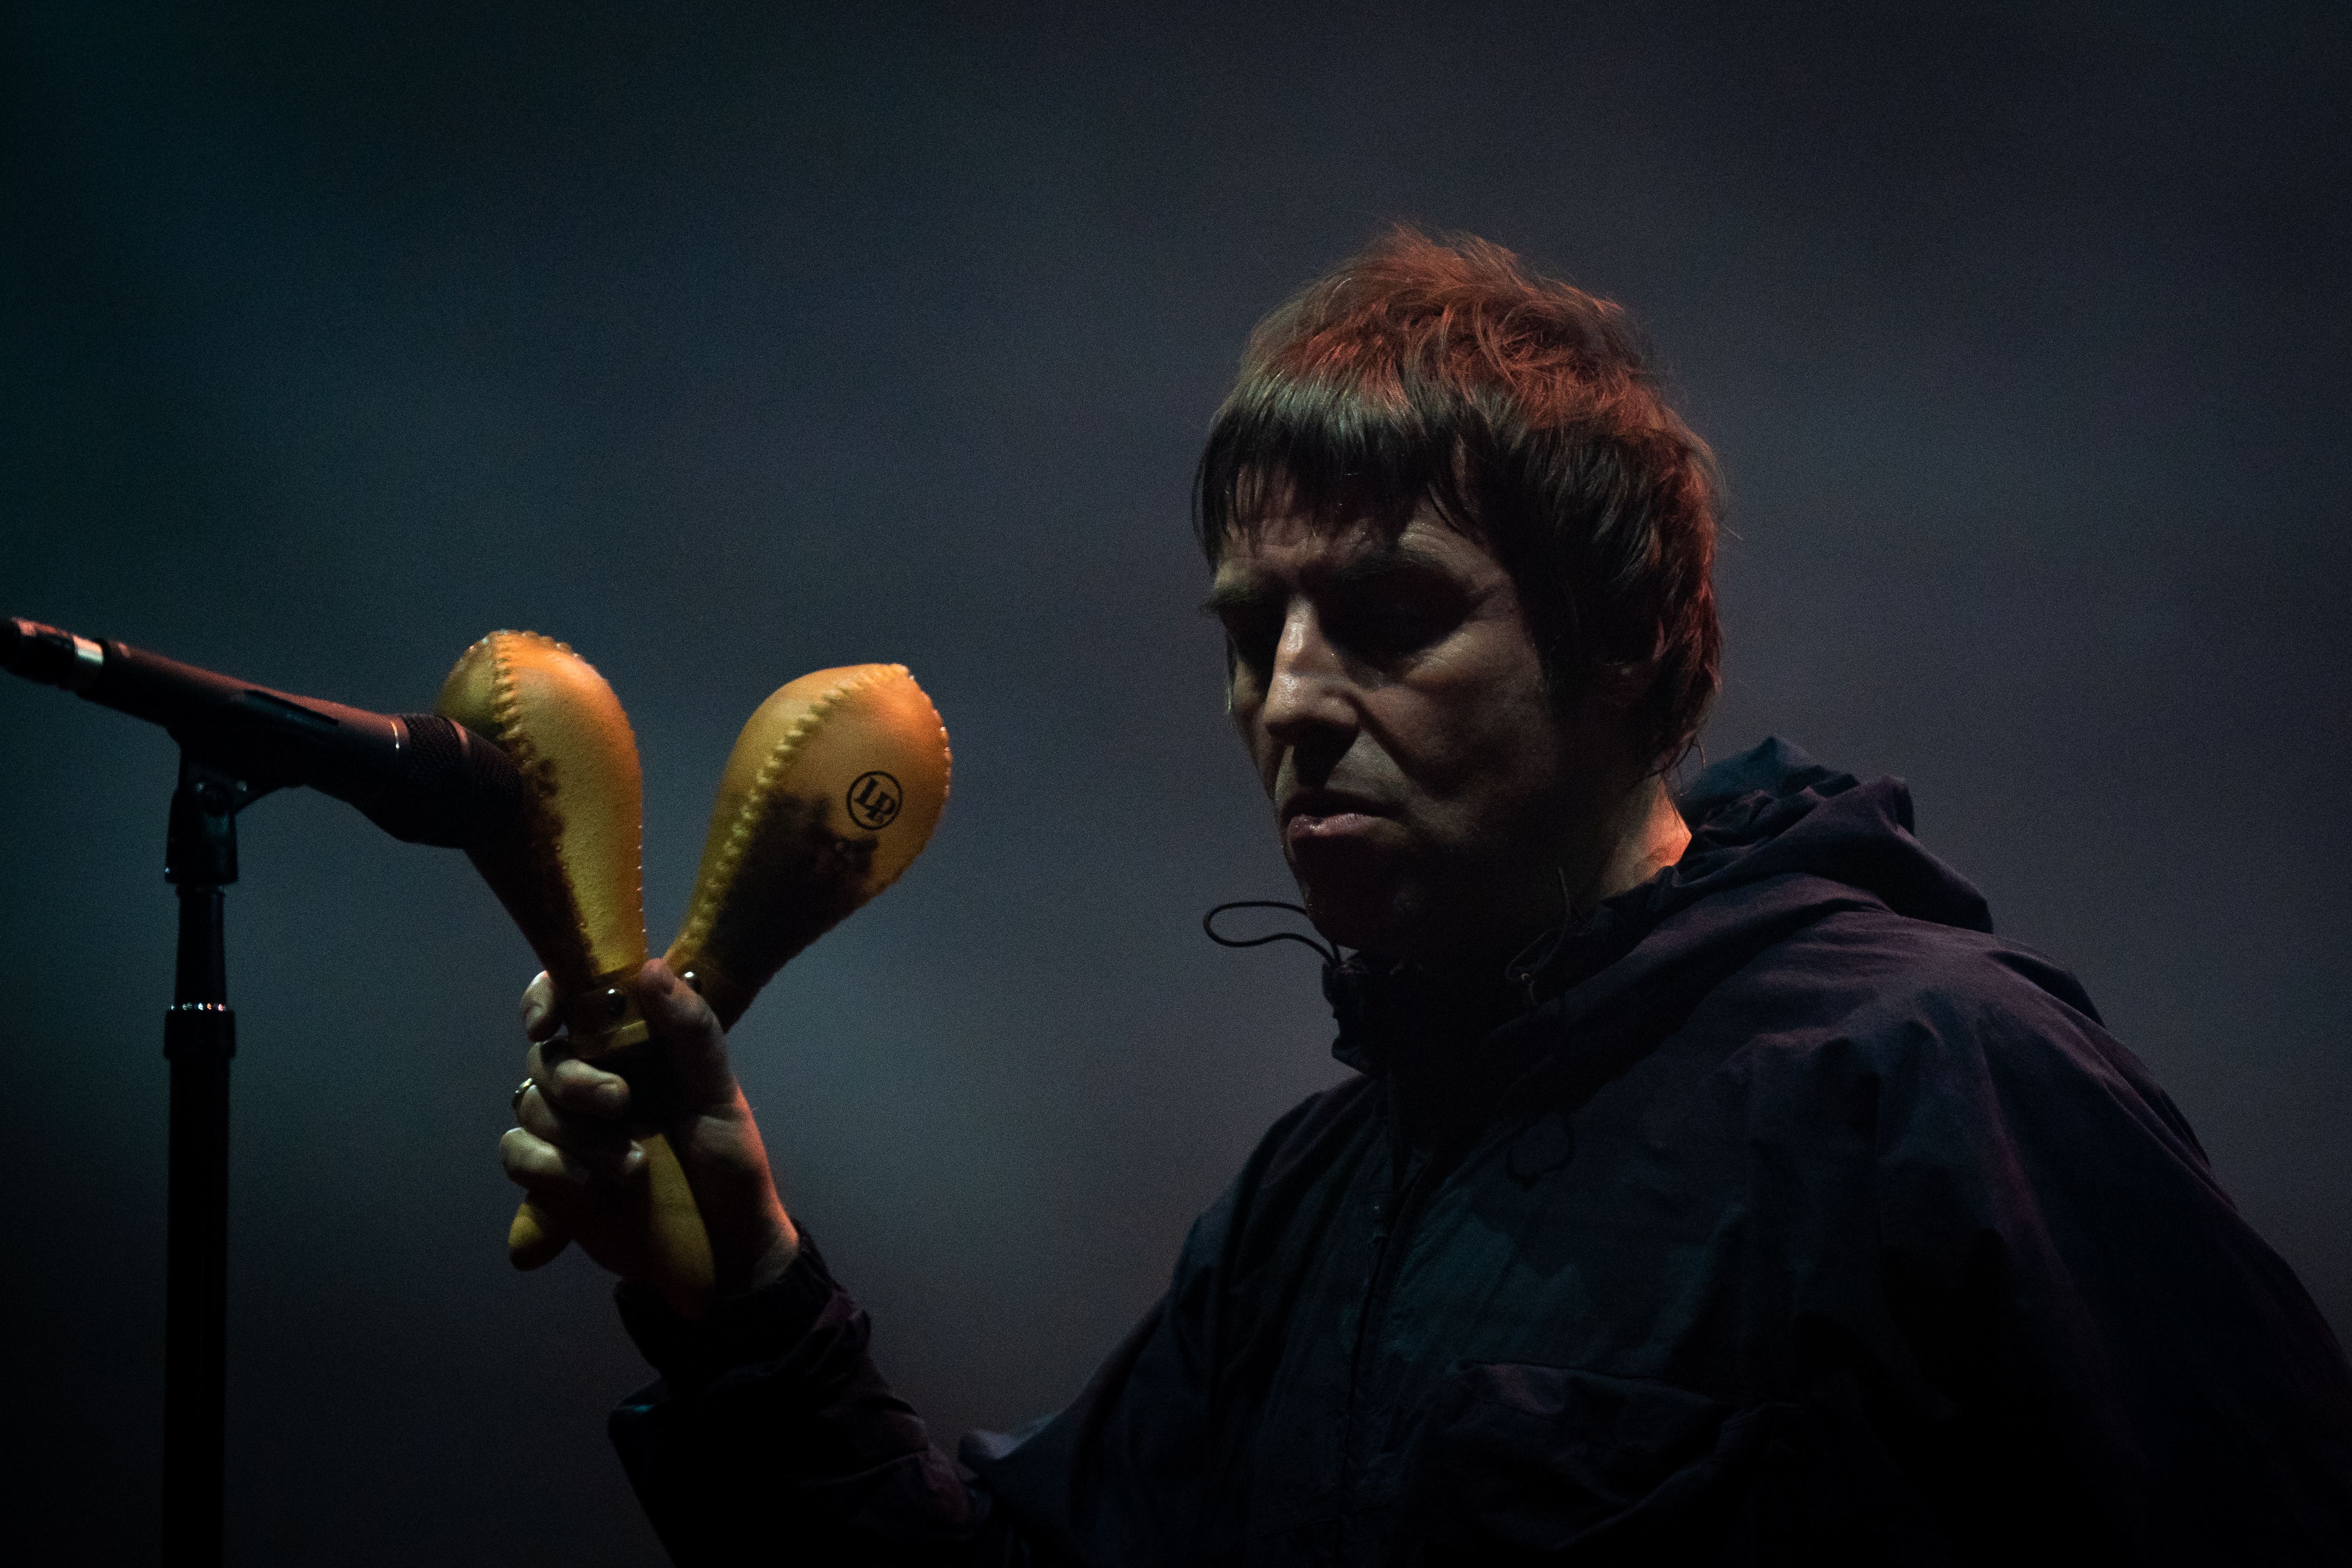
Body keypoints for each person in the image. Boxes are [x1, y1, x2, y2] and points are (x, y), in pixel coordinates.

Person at [499, 230, 2352, 1564]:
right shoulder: (1312, 1207)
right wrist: (742, 1290)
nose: (1291, 698)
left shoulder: (1939, 1085)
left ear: (1624, 636)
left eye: (1387, 617)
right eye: (1253, 638)